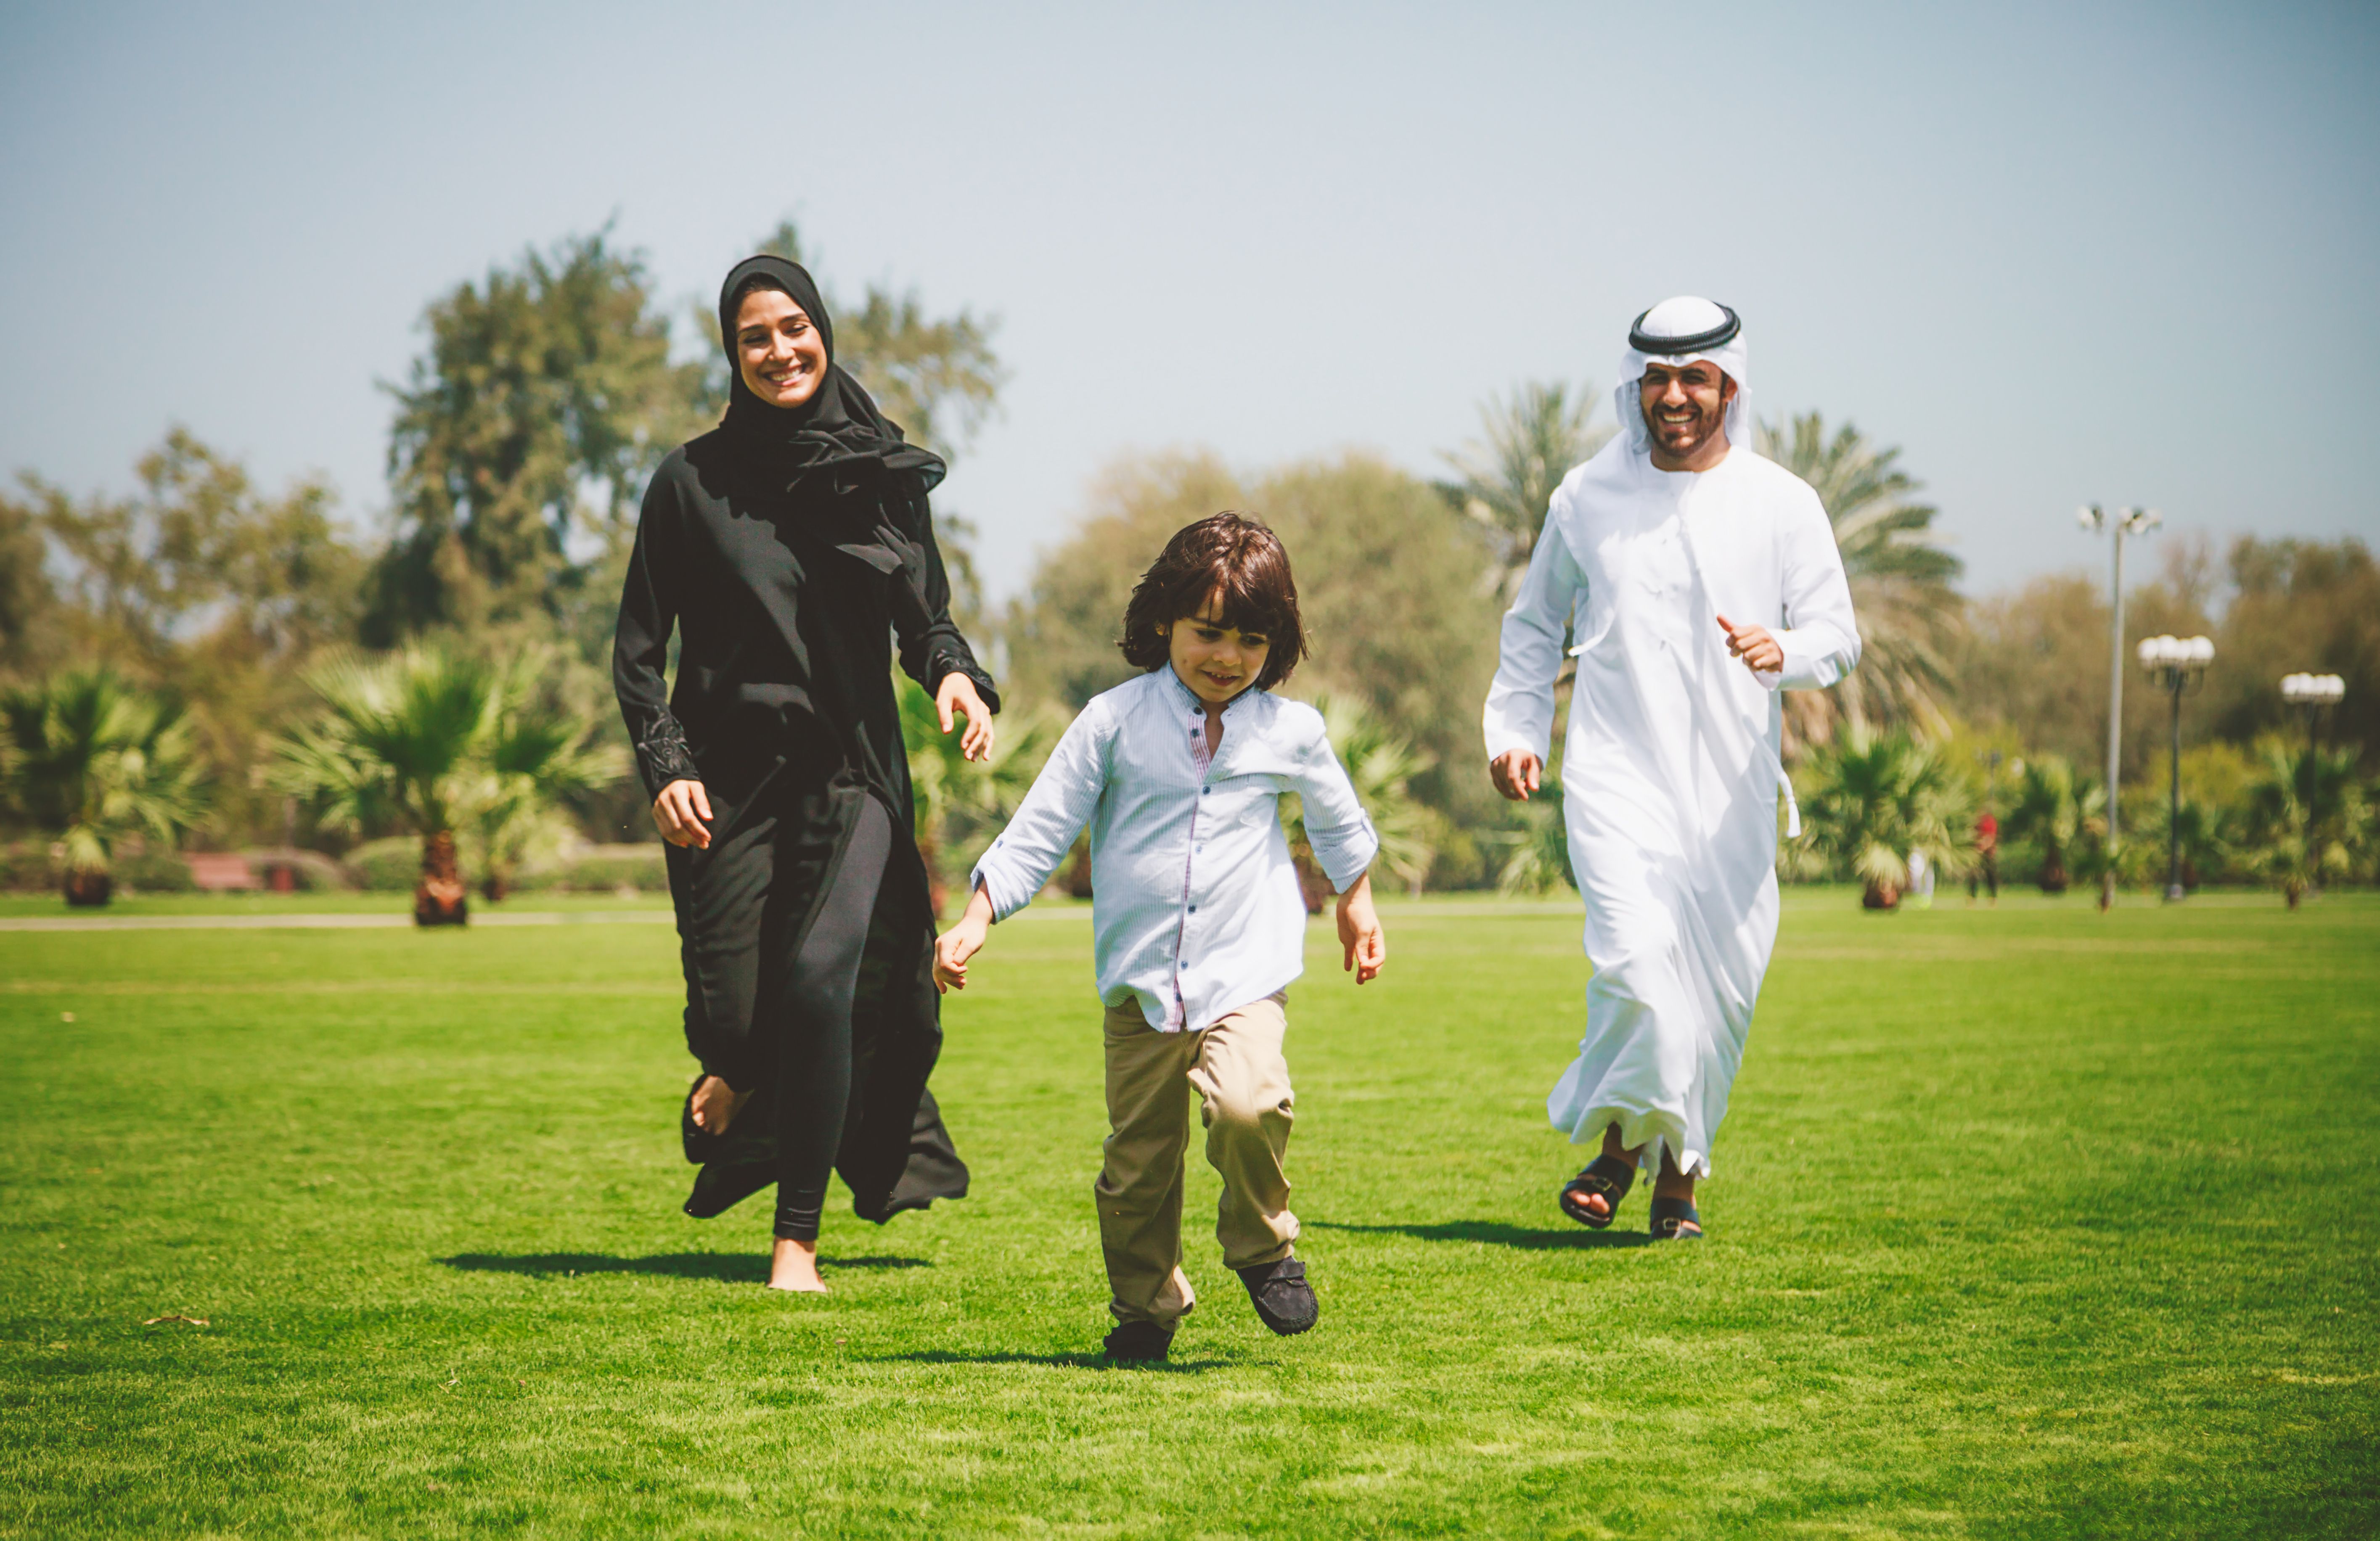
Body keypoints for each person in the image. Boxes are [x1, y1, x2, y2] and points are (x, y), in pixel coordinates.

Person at [613, 255, 996, 1294]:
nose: (780, 349)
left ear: (821, 330)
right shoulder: (689, 485)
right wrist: (666, 765)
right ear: (731, 355)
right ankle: (743, 1072)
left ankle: (797, 1242)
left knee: (825, 983)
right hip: (728, 789)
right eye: (754, 337)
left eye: (793, 327)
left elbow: (926, 618)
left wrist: (952, 679)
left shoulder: (878, 473)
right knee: (738, 1021)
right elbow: (639, 651)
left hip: (851, 773)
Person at [934, 514, 1385, 1361]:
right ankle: (1146, 1307)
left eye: (1251, 639)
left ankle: (1262, 1245)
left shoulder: (1290, 731)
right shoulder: (1113, 720)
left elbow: (1336, 818)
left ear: (1276, 644)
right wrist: (977, 916)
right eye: (1207, 632)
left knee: (1249, 1105)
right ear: (1165, 622)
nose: (1226, 656)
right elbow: (1043, 824)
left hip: (1243, 970)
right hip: (1140, 981)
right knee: (1138, 1167)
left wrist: (1356, 904)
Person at [1482, 297, 1860, 1242]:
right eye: (1657, 377)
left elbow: (1840, 636)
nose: (1674, 395)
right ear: (1635, 385)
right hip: (1614, 775)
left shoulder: (1783, 501)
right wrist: (1515, 729)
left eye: (1694, 376)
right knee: (1639, 962)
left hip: (1730, 791)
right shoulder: (1585, 498)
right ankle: (1618, 1147)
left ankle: (1678, 1173)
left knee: (1716, 990)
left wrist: (1787, 649)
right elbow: (1533, 628)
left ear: (1730, 384)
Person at [1970, 810, 1999, 904]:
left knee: (1991, 875)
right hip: (1978, 851)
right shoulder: (1976, 821)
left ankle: (1992, 897)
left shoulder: (1990, 821)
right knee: (1974, 875)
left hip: (1989, 851)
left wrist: (1985, 846)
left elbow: (1992, 836)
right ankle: (1972, 897)